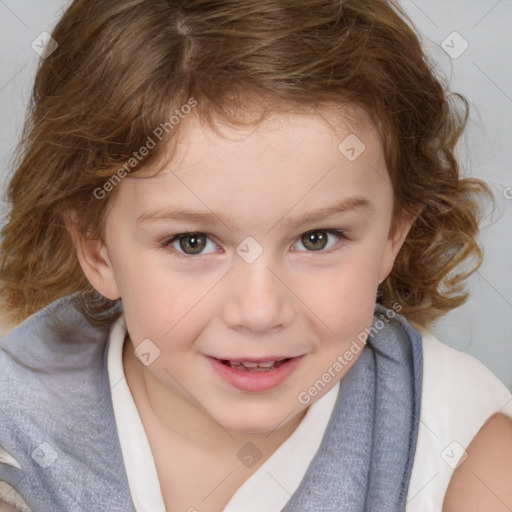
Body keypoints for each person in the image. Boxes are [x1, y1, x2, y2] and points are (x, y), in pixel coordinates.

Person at [0, 0, 511, 510]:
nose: (260, 311)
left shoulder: (453, 447)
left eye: (317, 239)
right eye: (192, 243)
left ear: (393, 236)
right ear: (97, 250)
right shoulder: (17, 428)